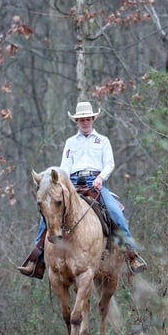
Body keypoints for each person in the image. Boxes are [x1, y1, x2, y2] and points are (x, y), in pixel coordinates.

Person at [17, 101, 147, 278]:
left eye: (87, 119)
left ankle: (131, 255)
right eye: (81, 120)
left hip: (96, 182)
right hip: (73, 183)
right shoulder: (70, 143)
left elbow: (109, 163)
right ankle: (36, 259)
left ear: (93, 119)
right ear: (76, 122)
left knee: (115, 212)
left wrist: (100, 178)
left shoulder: (103, 141)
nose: (85, 122)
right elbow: (65, 166)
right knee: (49, 211)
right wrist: (64, 183)